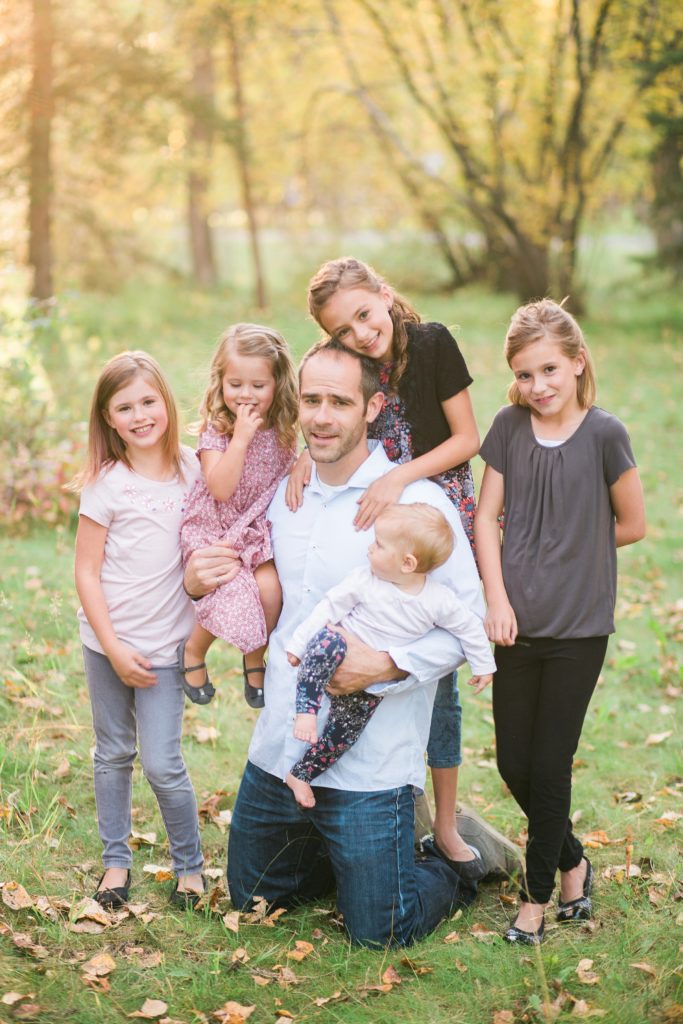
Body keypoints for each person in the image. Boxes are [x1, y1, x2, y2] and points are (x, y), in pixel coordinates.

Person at [186, 339, 508, 948]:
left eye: (340, 401)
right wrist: (192, 578)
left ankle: (458, 864)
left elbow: (463, 622)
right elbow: (223, 555)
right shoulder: (285, 486)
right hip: (284, 741)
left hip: (371, 762)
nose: (322, 416)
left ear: (373, 406)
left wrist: (387, 664)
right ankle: (348, 860)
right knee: (253, 898)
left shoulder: (416, 502)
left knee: (381, 931)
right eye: (311, 400)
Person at [286, 256, 482, 873]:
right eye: (344, 330)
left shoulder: (431, 343)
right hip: (376, 511)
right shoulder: (354, 361)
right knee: (369, 636)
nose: (361, 334)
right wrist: (303, 454)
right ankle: (369, 792)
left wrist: (402, 476)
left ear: (385, 294)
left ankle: (445, 824)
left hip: (432, 511)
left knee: (437, 673)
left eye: (366, 316)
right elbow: (323, 404)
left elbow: (466, 438)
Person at [475, 299, 646, 945]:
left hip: (577, 628)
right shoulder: (507, 428)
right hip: (515, 622)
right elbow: (485, 520)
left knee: (549, 764)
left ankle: (536, 898)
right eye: (523, 374)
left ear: (576, 362)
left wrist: (573, 550)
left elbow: (631, 524)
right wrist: (496, 598)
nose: (537, 386)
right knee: (514, 765)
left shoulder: (605, 434)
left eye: (548, 369)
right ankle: (573, 859)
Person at [72, 351, 206, 908]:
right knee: (112, 753)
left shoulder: (196, 469)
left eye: (148, 401)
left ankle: (190, 866)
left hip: (167, 650)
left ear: (166, 404)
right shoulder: (107, 484)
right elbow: (86, 570)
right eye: (124, 406)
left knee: (161, 761)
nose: (140, 414)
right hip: (106, 643)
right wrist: (112, 646)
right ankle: (115, 863)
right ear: (108, 418)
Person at [285, 502, 495, 810]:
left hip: (369, 685)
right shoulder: (364, 579)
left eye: (379, 545)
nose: (370, 549)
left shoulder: (437, 600)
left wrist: (484, 665)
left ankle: (302, 773)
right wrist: (298, 644)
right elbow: (329, 607)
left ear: (407, 563)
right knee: (327, 641)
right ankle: (307, 708)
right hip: (339, 651)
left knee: (345, 733)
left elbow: (470, 628)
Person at [179, 324, 298, 709]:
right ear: (221, 382)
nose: (245, 395)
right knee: (227, 584)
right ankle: (194, 651)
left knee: (270, 591)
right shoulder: (219, 429)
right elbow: (220, 488)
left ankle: (253, 659)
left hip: (255, 526)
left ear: (278, 384)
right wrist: (242, 438)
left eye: (257, 386)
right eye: (235, 384)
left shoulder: (284, 429)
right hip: (216, 527)